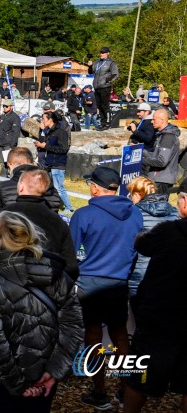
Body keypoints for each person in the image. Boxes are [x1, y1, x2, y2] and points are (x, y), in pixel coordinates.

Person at [0, 211, 83, 413]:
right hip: (42, 372)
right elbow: (73, 329)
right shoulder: (59, 277)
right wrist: (53, 371)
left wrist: (18, 384)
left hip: (5, 379)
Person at [70, 166, 143, 410]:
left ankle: (100, 392)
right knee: (120, 334)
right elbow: (135, 250)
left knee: (93, 336)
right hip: (119, 281)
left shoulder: (84, 215)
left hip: (90, 282)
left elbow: (71, 253)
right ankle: (126, 390)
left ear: (94, 188)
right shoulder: (135, 214)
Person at [123, 190, 187, 413]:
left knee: (140, 378)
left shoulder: (170, 230)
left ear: (186, 202)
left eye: (180, 199)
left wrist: (140, 236)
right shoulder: (170, 229)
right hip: (165, 317)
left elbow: (142, 245)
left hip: (160, 318)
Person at [2, 169, 79, 280]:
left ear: (21, 187)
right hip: (47, 283)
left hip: (7, 282)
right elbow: (71, 267)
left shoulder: (3, 216)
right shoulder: (59, 223)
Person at [126, 176, 179, 316]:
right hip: (167, 275)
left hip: (138, 276)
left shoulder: (134, 214)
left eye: (131, 195)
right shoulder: (174, 212)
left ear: (137, 194)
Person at [35, 110, 73, 212]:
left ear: (50, 120)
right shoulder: (49, 131)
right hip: (50, 163)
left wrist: (46, 146)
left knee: (59, 187)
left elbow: (63, 149)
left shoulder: (61, 132)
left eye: (44, 119)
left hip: (58, 164)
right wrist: (42, 133)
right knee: (49, 187)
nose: (42, 121)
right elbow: (43, 142)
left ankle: (69, 208)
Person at [142, 108, 181, 197]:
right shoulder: (162, 135)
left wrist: (142, 160)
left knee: (158, 208)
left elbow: (161, 161)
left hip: (161, 180)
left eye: (154, 119)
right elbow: (156, 155)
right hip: (159, 178)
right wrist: (141, 152)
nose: (152, 122)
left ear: (162, 120)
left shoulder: (168, 137)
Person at [87, 47, 119, 130]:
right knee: (99, 106)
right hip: (97, 87)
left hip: (105, 87)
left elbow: (115, 74)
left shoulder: (111, 63)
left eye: (103, 53)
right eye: (101, 52)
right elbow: (91, 72)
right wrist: (90, 66)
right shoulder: (97, 62)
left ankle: (108, 123)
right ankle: (102, 123)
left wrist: (107, 81)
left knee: (105, 106)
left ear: (108, 53)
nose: (101, 54)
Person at [0, 98, 21, 175]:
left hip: (8, 144)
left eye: (6, 106)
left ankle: (9, 180)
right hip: (1, 143)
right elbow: (0, 130)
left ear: (11, 107)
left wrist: (12, 145)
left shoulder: (15, 117)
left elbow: (15, 132)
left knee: (8, 163)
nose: (4, 107)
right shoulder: (3, 116)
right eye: (3, 106)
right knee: (2, 163)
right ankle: (1, 179)